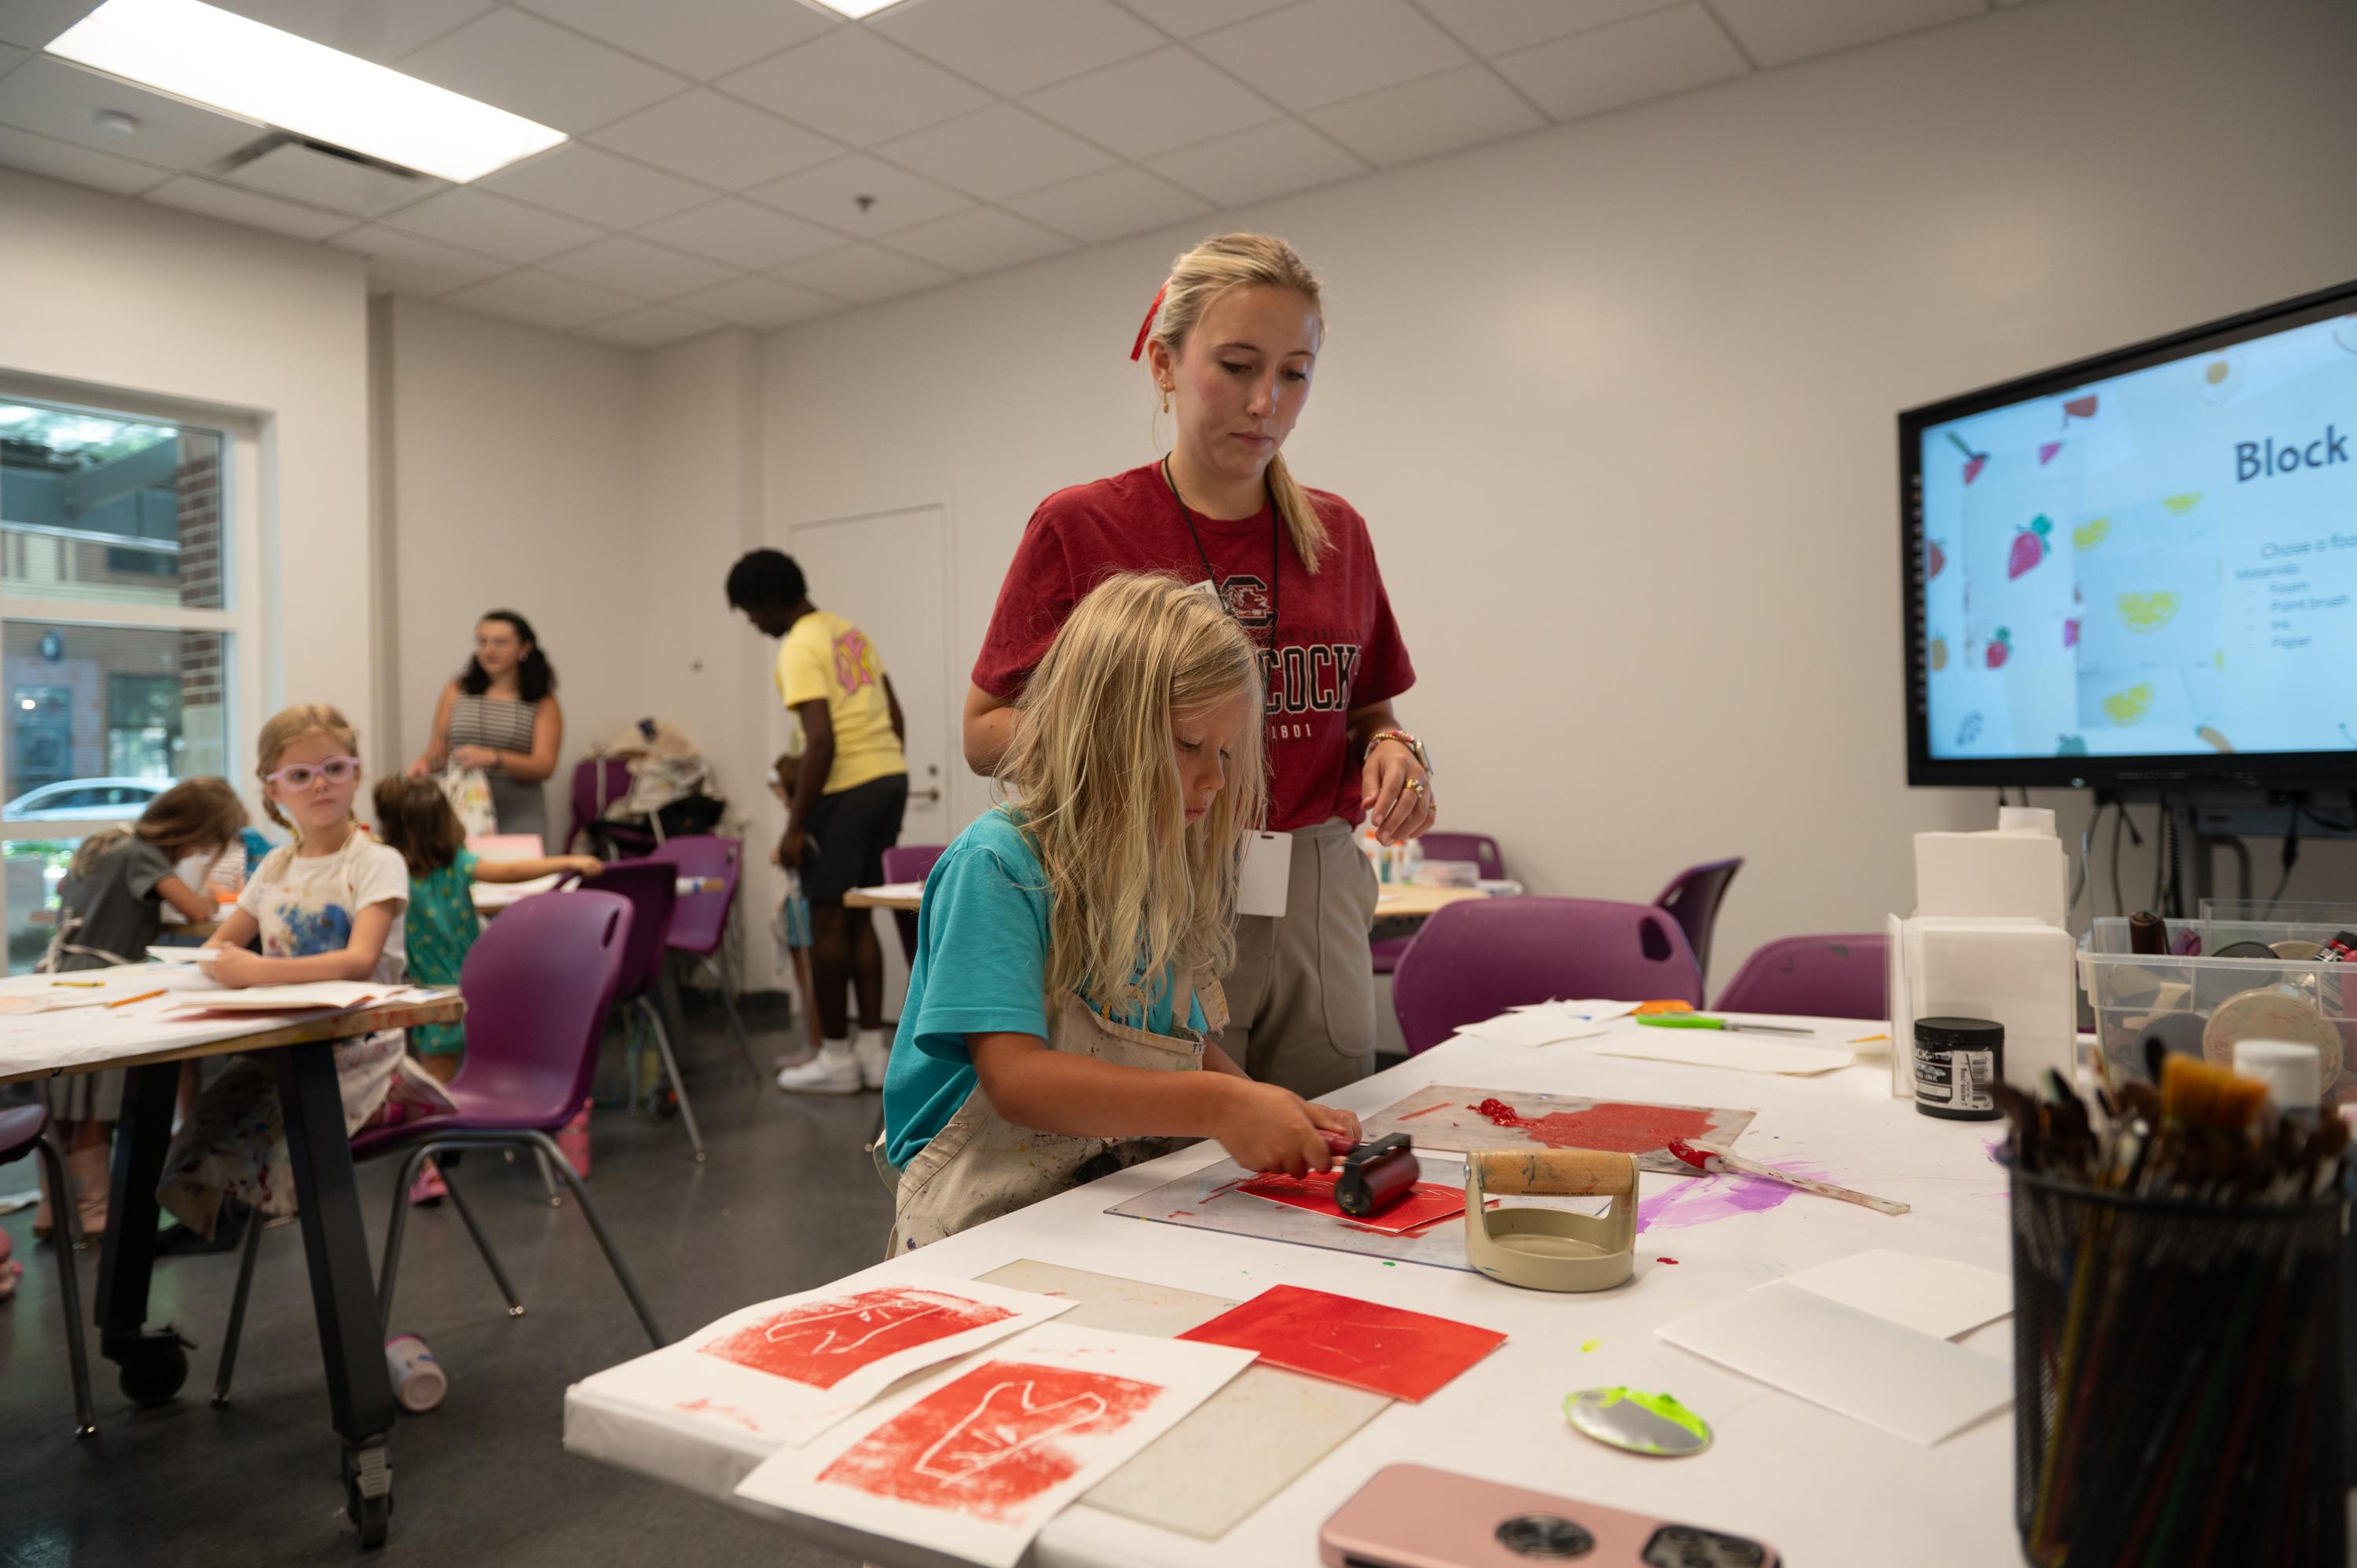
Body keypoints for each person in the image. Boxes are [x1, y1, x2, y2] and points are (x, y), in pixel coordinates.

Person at [965, 233, 1434, 1101]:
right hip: (1158, 866)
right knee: (1174, 1148)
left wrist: (1396, 751)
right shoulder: (1083, 525)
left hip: (1315, 877)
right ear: (1165, 366)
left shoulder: (1336, 533)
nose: (1268, 401)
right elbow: (986, 734)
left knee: (1322, 1136)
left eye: (1296, 372)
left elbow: (1372, 709)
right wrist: (1134, 743)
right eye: (1238, 364)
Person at [883, 573, 1362, 1251]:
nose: (1215, 780)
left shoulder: (1155, 876)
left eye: (1226, 753)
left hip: (1102, 1209)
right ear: (1099, 728)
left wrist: (1271, 1107)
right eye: (1191, 745)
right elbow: (1017, 1080)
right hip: (977, 1229)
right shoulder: (998, 867)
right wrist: (1222, 1108)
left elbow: (1181, 1044)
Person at [158, 705, 453, 1240]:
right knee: (203, 1125)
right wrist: (213, 966)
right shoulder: (274, 867)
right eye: (299, 776)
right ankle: (212, 1229)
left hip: (358, 1049)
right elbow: (221, 946)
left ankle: (245, 1224)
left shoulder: (375, 862)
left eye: (334, 769)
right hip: (285, 1042)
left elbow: (359, 960)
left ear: (356, 775)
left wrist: (253, 972)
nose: (319, 785)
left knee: (273, 1129)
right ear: (274, 791)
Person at [31, 777, 247, 1242]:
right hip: (98, 984)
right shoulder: (143, 855)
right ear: (194, 832)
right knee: (91, 1105)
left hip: (61, 972)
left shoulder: (105, 842)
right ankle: (94, 1212)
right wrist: (215, 891)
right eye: (209, 843)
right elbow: (194, 909)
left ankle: (52, 1209)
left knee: (62, 1103)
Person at [726, 549, 909, 1096]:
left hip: (847, 786)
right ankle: (874, 1055)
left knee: (828, 920)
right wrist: (881, 770)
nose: (756, 626)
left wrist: (794, 826)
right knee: (859, 918)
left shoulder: (798, 645)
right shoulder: (849, 633)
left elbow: (822, 739)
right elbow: (893, 715)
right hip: (888, 778)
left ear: (766, 600)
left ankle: (834, 1057)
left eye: (752, 613)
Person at [370, 775, 602, 1201]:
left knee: (431, 1092)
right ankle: (533, 1134)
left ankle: (429, 1170)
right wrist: (570, 860)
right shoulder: (458, 865)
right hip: (479, 997)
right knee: (497, 1072)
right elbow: (513, 870)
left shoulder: (393, 875)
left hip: (431, 1003)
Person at [407, 610, 563, 841]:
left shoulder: (542, 701)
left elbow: (544, 765)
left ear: (525, 648)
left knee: (519, 872)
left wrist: (494, 757)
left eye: (500, 642)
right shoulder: (457, 689)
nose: (489, 650)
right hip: (461, 806)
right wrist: (423, 766)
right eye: (482, 642)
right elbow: (439, 749)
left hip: (518, 809)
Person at [767, 750, 824, 1070]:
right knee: (807, 982)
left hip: (803, 907)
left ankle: (815, 1045)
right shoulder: (808, 821)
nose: (780, 800)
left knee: (809, 983)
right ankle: (814, 1042)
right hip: (798, 907)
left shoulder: (802, 825)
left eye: (780, 794)